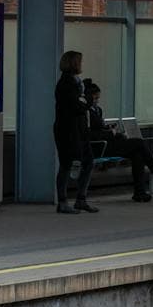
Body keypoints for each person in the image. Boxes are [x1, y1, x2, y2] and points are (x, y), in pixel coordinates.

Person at [85, 82, 153, 203]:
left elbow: (100, 128)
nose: (97, 101)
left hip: (109, 143)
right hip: (100, 147)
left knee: (137, 155)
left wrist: (112, 130)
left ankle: (140, 192)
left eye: (98, 98)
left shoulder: (97, 110)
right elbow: (90, 135)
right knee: (139, 143)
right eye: (95, 98)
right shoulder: (86, 112)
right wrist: (110, 133)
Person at [54, 51, 96, 214]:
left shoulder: (77, 83)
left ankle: (81, 198)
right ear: (73, 63)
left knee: (88, 161)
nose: (81, 64)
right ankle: (63, 201)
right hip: (68, 130)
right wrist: (88, 99)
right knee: (66, 163)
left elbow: (81, 104)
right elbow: (78, 106)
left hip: (80, 129)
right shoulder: (66, 84)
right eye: (79, 61)